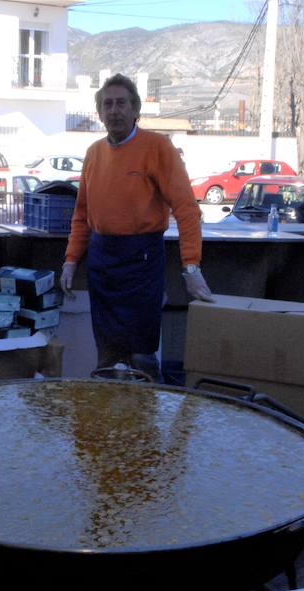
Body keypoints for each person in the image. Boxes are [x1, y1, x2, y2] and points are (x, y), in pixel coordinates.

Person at [59, 73, 214, 378]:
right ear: (100, 113)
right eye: (107, 104)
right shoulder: (93, 154)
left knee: (142, 356)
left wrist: (191, 267)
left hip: (141, 261)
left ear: (135, 109)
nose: (114, 110)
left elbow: (186, 210)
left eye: (121, 103)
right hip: (102, 263)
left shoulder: (157, 148)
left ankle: (144, 422)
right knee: (106, 355)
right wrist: (70, 261)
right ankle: (107, 420)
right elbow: (82, 216)